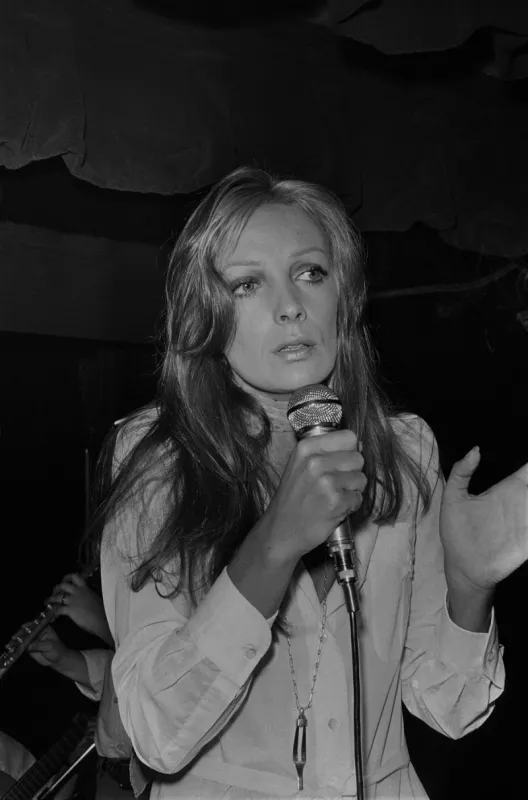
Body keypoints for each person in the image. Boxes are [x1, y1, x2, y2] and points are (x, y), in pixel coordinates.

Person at [87, 166, 527, 799]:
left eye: (310, 272)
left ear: (342, 297)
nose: (290, 304)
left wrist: (469, 585)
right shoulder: (157, 457)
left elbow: (448, 706)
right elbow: (154, 730)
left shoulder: (405, 448)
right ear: (204, 312)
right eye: (247, 283)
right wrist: (272, 545)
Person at [28, 573, 148, 799]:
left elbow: (167, 671)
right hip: (111, 781)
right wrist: (63, 658)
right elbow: (120, 679)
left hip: (156, 781)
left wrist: (103, 622)